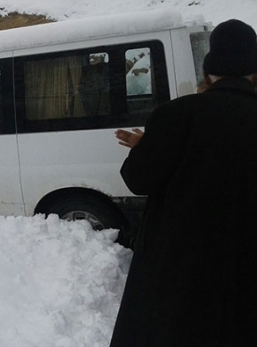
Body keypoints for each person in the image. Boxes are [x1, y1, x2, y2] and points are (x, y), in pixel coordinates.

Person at [110, 19, 257, 347]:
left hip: (182, 278)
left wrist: (145, 147)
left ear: (208, 72)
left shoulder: (176, 115)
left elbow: (138, 179)